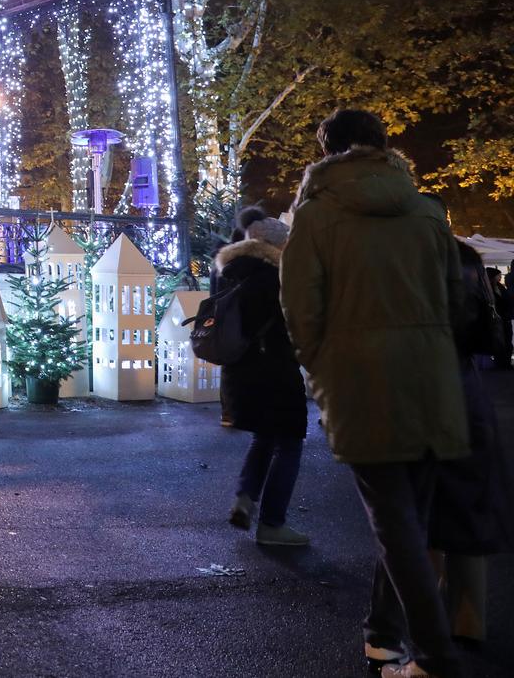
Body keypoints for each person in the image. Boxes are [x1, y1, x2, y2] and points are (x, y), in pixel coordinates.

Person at [280, 109, 468, 678]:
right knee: (410, 517)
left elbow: (300, 308)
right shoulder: (428, 211)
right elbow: (456, 300)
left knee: (394, 521)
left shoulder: (316, 213)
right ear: (385, 146)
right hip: (431, 377)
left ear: (328, 150)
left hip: (360, 378)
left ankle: (435, 658)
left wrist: (320, 368)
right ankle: (382, 636)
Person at [426, 238, 514, 649]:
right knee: (468, 510)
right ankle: (469, 624)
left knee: (421, 516)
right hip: (467, 391)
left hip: (419, 390)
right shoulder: (466, 258)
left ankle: (425, 634)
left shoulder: (412, 260)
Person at [215, 209, 309, 546]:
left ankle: (244, 498)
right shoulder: (277, 277)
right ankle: (272, 524)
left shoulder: (228, 271)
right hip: (276, 372)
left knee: (265, 437)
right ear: (277, 246)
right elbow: (297, 325)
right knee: (290, 443)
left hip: (238, 371)